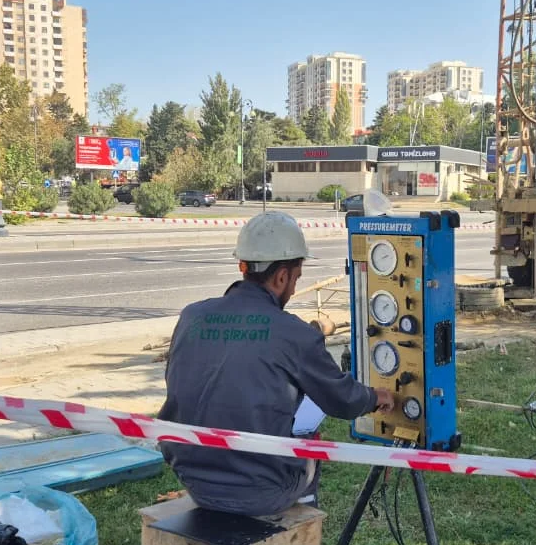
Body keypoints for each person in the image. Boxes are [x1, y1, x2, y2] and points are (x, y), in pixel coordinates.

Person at [158, 211, 394, 517]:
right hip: (259, 492)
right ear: (282, 276)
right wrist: (376, 396)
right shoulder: (293, 333)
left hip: (194, 480)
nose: (294, 289)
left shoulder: (192, 315)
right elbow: (343, 400)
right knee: (309, 443)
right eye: (295, 279)